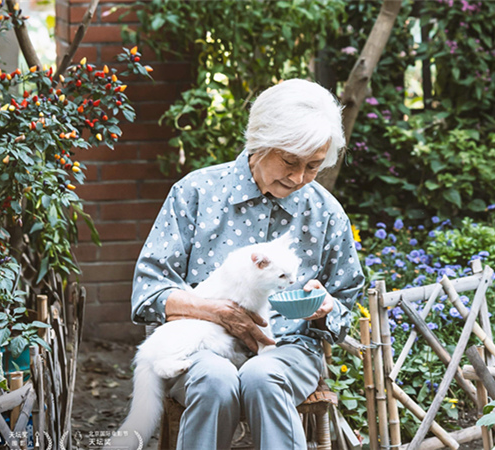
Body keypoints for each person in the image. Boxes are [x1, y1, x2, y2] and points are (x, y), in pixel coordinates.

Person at [130, 79, 365, 449]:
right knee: (214, 378)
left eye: (314, 166)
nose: (300, 177)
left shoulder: (324, 211)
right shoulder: (195, 192)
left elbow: (345, 302)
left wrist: (325, 309)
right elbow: (149, 292)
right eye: (290, 161)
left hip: (289, 350)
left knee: (263, 374)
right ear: (260, 142)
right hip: (201, 348)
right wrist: (217, 312)